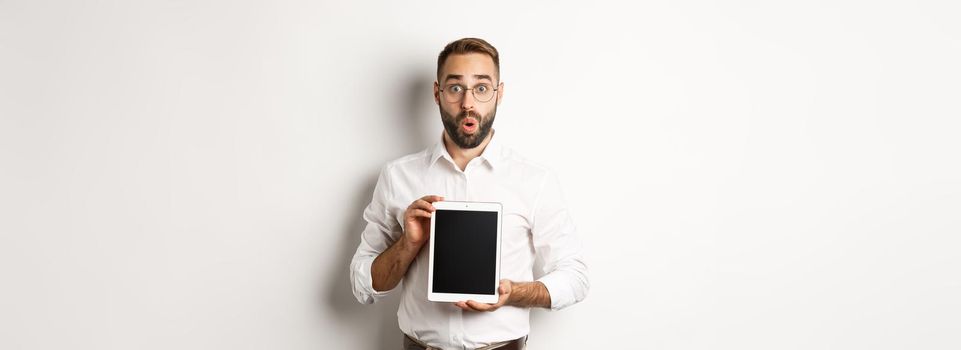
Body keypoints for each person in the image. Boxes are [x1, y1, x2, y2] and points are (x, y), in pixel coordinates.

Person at [349, 37, 589, 350]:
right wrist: (408, 245)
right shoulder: (398, 177)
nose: (467, 103)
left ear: (498, 94)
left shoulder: (534, 180)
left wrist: (513, 292)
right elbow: (363, 286)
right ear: (437, 93)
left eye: (481, 88)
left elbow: (575, 276)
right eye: (455, 87)